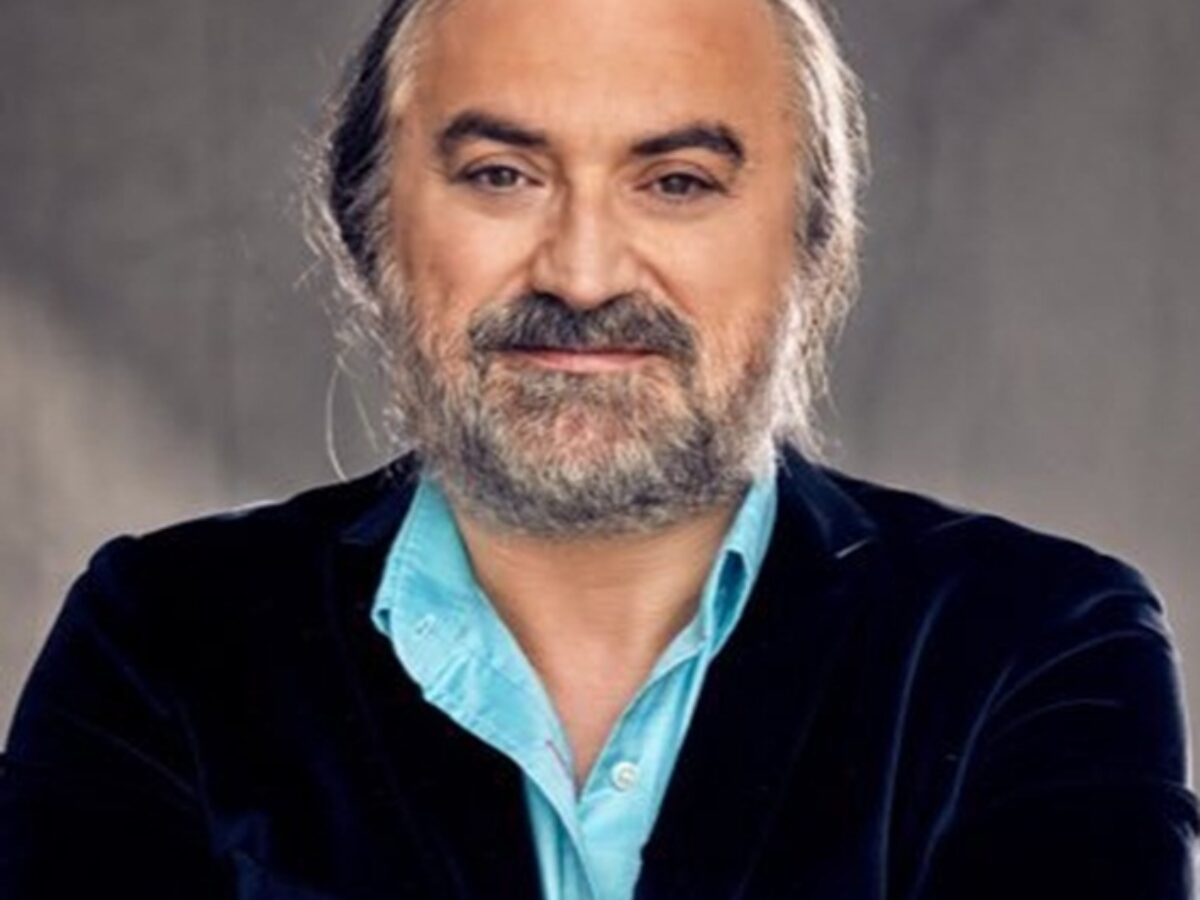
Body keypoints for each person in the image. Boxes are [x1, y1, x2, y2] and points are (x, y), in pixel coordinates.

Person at [1, 0, 1196, 897]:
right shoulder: (160, 642)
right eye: (501, 175)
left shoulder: (1035, 641)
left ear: (812, 243)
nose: (581, 275)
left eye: (676, 182)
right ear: (365, 223)